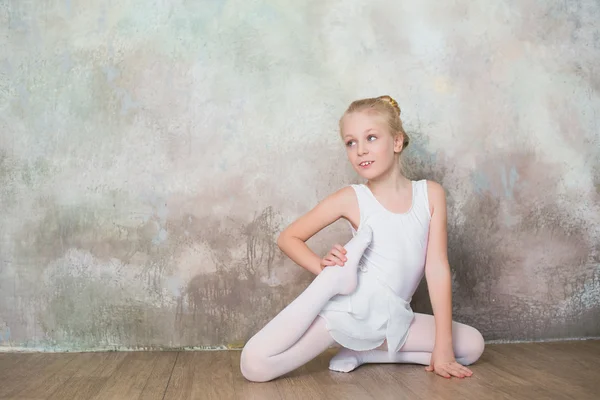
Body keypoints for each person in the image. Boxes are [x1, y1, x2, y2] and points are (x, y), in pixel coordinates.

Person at [240, 95, 485, 383]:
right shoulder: (353, 198)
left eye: (370, 138)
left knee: (472, 346)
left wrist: (443, 347)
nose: (360, 151)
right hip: (351, 310)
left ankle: (364, 353)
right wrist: (323, 269)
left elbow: (437, 268)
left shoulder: (430, 194)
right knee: (255, 366)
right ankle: (333, 283)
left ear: (396, 142)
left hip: (393, 317)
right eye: (350, 142)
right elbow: (288, 237)